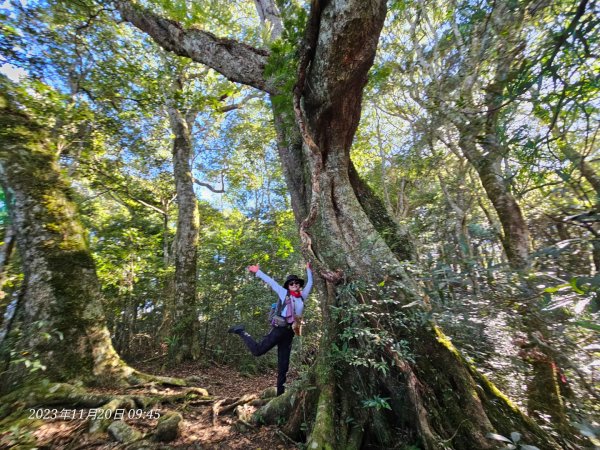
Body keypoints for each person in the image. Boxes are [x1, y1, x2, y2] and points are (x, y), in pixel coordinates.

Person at [228, 262, 313, 396]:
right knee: (257, 351)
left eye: (296, 283)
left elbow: (310, 283)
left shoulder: (302, 297)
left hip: (290, 333)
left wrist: (308, 270)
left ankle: (280, 395)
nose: (294, 285)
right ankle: (241, 331)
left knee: (283, 366)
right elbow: (271, 282)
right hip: (279, 330)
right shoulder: (284, 293)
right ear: (288, 286)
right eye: (291, 283)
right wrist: (258, 272)